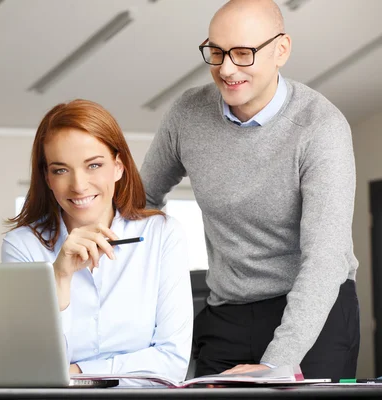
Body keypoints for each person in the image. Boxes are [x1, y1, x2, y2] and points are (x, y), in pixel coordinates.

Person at [140, 0, 359, 382]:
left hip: (314, 309)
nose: (226, 69)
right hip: (227, 310)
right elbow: (139, 201)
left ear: (281, 50)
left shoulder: (320, 128)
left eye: (243, 53)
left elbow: (324, 261)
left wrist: (276, 363)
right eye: (217, 52)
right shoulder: (187, 114)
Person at [2, 99, 193, 383]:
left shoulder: (161, 234)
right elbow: (30, 367)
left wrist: (80, 373)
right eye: (61, 170)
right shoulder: (23, 246)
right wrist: (60, 277)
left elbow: (171, 361)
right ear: (47, 177)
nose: (79, 185)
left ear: (118, 167)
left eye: (93, 165)